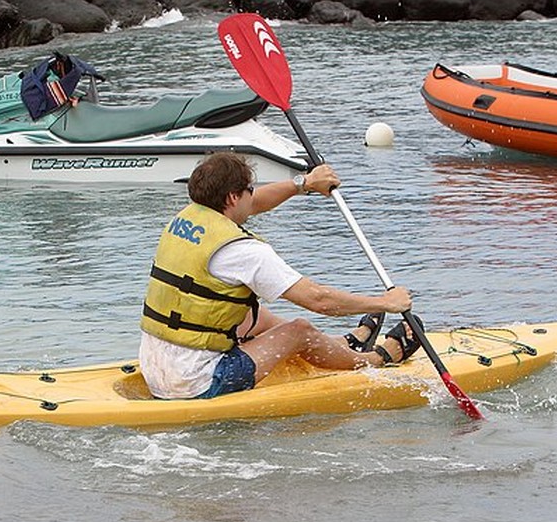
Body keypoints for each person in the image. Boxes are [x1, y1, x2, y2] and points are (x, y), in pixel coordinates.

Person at [139, 151, 422, 400]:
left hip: (158, 369)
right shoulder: (244, 252)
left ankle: (344, 344)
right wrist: (386, 303)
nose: (254, 194)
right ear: (233, 197)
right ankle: (373, 358)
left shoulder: (187, 218)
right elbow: (318, 300)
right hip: (198, 383)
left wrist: (304, 184)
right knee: (299, 330)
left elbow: (254, 203)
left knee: (254, 315)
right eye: (249, 188)